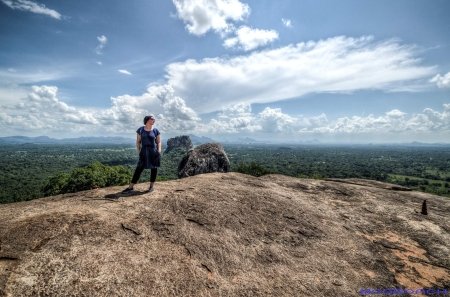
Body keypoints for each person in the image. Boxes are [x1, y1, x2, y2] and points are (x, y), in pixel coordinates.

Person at [122, 115, 161, 193]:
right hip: (144, 151)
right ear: (147, 120)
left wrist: (159, 150)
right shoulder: (140, 130)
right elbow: (138, 141)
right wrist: (138, 150)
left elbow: (159, 141)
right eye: (152, 119)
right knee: (139, 168)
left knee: (154, 169)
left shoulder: (156, 130)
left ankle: (151, 186)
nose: (154, 120)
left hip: (153, 151)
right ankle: (130, 187)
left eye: (154, 119)